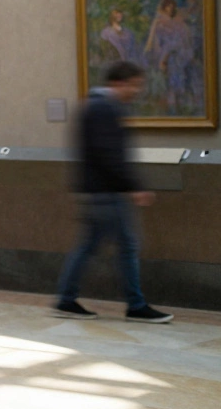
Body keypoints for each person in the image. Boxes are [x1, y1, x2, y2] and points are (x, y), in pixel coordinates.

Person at [53, 61, 174, 323]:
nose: (137, 91)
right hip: (107, 194)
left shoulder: (94, 106)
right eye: (134, 85)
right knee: (127, 246)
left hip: (97, 192)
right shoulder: (103, 108)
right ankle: (136, 305)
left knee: (87, 246)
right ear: (120, 82)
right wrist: (134, 186)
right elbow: (109, 155)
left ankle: (65, 299)